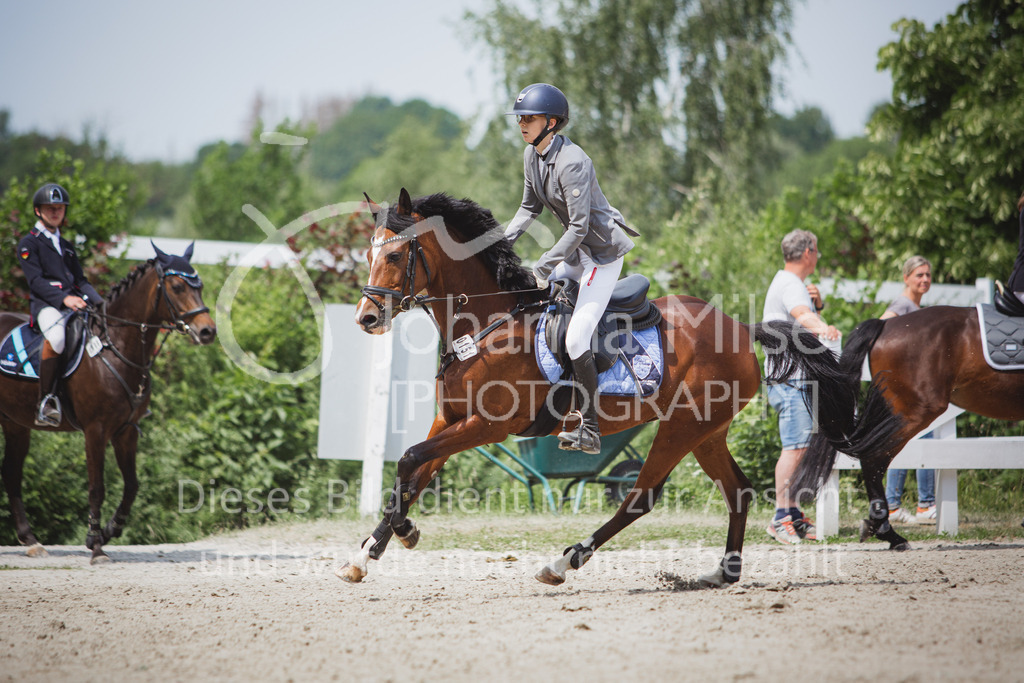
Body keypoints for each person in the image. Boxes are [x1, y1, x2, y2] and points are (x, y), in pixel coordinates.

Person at [502, 83, 639, 455]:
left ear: (552, 121)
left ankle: (591, 428)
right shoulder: (532, 155)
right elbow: (528, 208)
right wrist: (498, 244)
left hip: (601, 255)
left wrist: (544, 265)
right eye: (520, 119)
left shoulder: (573, 161)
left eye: (528, 118)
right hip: (577, 253)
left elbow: (579, 228)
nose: (522, 125)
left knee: (577, 337)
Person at [762, 229, 840, 545]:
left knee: (801, 446)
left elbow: (803, 315)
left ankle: (792, 514)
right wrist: (823, 324)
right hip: (789, 377)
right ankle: (780, 519)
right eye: (817, 250)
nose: (818, 256)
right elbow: (801, 316)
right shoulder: (790, 284)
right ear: (807, 253)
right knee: (795, 447)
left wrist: (817, 308)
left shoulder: (789, 283)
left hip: (790, 375)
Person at [17, 182, 101, 427]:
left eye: (59, 208)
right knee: (57, 338)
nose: (55, 212)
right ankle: (46, 401)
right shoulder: (28, 244)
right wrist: (64, 298)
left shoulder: (66, 246)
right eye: (49, 208)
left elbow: (82, 282)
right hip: (47, 306)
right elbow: (36, 282)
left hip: (74, 304)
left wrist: (101, 304)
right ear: (38, 211)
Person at [879, 255, 936, 524]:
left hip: (916, 385)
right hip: (908, 387)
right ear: (906, 278)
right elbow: (881, 328)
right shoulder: (902, 305)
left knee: (912, 438)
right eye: (919, 275)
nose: (924, 279)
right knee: (924, 437)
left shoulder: (915, 305)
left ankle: (897, 504)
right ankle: (923, 504)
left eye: (927, 275)